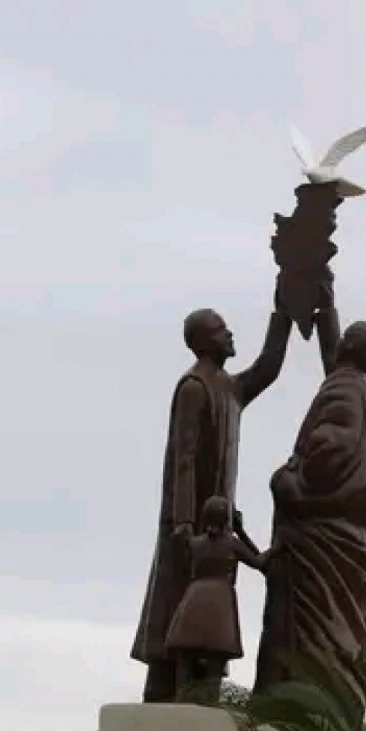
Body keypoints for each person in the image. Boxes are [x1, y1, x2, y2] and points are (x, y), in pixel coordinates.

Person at [131, 283, 293, 703]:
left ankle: (203, 689)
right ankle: (164, 688)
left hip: (218, 518)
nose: (230, 335)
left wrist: (285, 312)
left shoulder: (229, 389)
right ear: (204, 340)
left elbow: (268, 368)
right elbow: (183, 457)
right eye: (222, 330)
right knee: (177, 607)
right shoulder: (193, 387)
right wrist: (184, 521)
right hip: (188, 522)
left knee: (211, 611)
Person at [255, 303, 366, 693]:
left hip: (318, 535)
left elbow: (330, 450)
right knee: (339, 625)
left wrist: (287, 480)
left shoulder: (345, 390)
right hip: (344, 534)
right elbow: (336, 363)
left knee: (312, 629)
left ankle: (299, 702)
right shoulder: (364, 393)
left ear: (349, 345)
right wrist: (325, 308)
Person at [164, 495, 269, 696]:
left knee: (185, 657)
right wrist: (243, 533)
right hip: (219, 602)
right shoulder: (232, 544)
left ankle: (181, 698)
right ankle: (210, 702)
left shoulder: (194, 543)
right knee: (215, 656)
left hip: (194, 597)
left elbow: (180, 567)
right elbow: (260, 563)